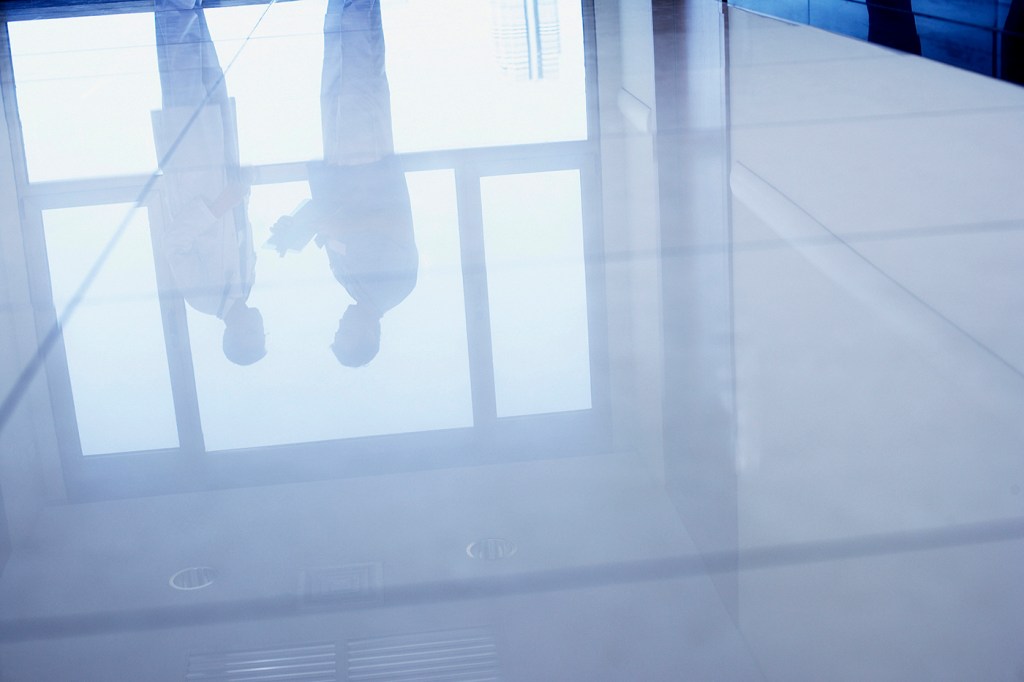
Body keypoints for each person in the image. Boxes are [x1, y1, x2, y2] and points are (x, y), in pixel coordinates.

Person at [268, 0, 417, 367]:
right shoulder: (395, 288)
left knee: (339, 68)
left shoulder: (351, 285)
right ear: (370, 335)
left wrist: (297, 227)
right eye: (344, 334)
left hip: (342, 167)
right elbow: (395, 226)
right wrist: (338, 227)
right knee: (358, 68)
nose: (339, 324)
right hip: (367, 163)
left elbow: (333, 223)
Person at [152, 1, 266, 365]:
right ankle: (191, 7)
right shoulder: (246, 283)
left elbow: (174, 243)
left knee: (181, 72)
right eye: (262, 333)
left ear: (232, 335)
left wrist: (219, 206)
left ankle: (173, 5)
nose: (260, 326)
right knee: (209, 69)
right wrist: (242, 188)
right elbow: (236, 223)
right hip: (221, 160)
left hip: (193, 165)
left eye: (253, 335)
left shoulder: (202, 299)